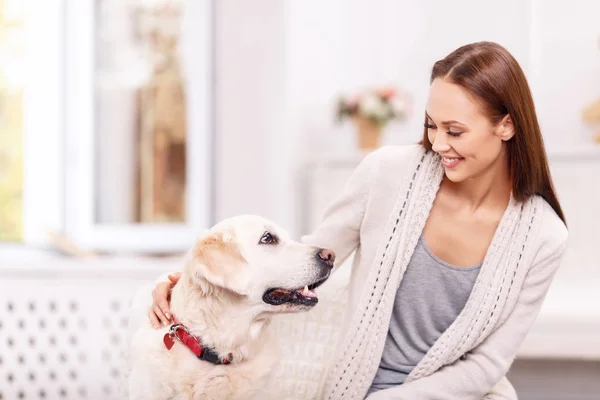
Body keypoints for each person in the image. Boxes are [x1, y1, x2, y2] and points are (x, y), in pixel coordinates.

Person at [147, 41, 568, 400]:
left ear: (507, 125)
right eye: (430, 125)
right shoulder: (388, 173)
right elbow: (307, 263)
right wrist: (188, 285)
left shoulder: (544, 236)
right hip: (354, 389)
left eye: (455, 131)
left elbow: (487, 365)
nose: (438, 144)